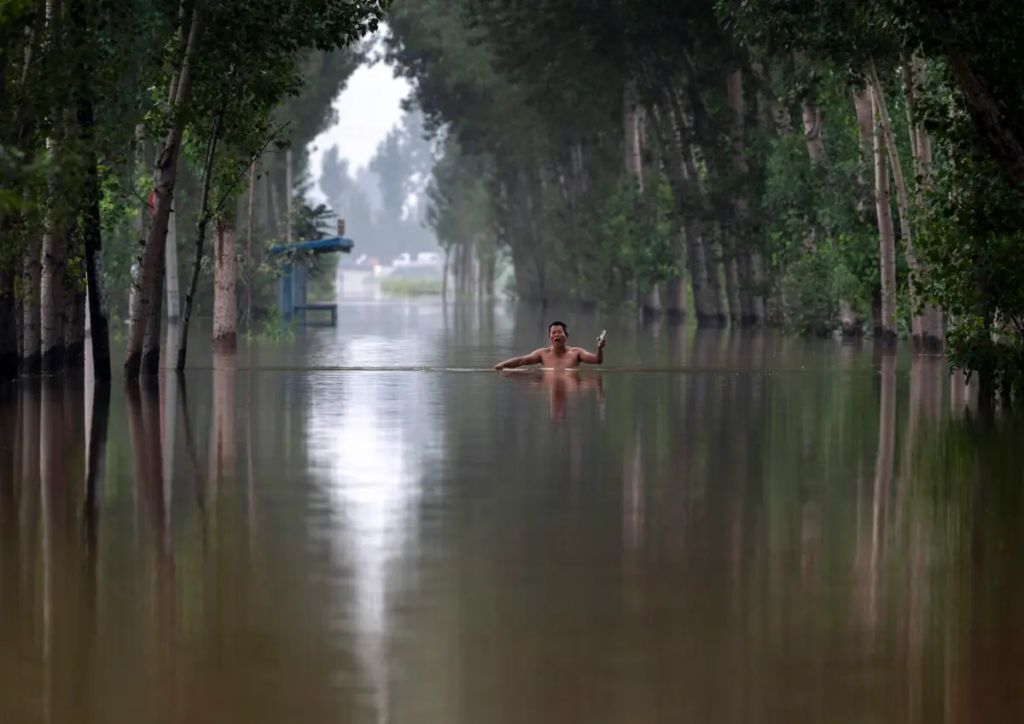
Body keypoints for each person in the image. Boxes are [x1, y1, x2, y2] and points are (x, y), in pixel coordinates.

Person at [492, 321, 605, 371]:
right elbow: (521, 361)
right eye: (553, 333)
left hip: (570, 385)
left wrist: (599, 348)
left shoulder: (576, 353)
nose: (556, 335)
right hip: (549, 383)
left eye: (559, 332)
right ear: (549, 337)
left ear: (566, 336)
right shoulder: (543, 354)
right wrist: (502, 365)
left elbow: (597, 360)